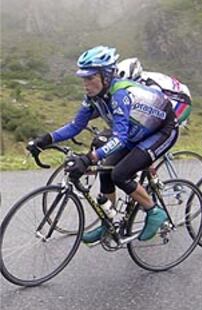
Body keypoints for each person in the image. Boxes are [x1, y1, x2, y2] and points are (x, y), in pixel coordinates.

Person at [26, 46, 179, 245]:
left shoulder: (120, 95)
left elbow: (120, 139)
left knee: (120, 174)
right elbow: (75, 126)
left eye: (90, 78)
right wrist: (46, 139)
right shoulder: (93, 97)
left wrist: (89, 158)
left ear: (106, 77)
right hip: (138, 132)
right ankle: (109, 223)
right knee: (106, 170)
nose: (86, 84)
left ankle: (154, 211)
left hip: (162, 131)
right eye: (83, 79)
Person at [116, 57, 192, 126]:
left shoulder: (149, 84)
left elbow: (158, 106)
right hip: (175, 93)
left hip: (181, 100)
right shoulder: (141, 77)